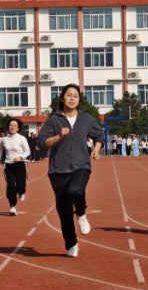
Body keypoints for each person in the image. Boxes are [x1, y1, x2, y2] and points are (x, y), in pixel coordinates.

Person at [38, 84, 103, 257]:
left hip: (81, 165)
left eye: (75, 95)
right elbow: (42, 142)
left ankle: (81, 214)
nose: (72, 98)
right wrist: (59, 136)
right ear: (62, 98)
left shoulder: (86, 119)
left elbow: (99, 135)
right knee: (64, 209)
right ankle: (71, 243)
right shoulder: (54, 120)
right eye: (69, 95)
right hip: (58, 170)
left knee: (76, 190)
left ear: (79, 100)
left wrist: (96, 150)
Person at [0, 118, 31, 216]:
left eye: (14, 126)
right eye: (10, 125)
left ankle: (21, 191)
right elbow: (0, 150)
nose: (12, 127)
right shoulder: (4, 139)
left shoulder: (21, 138)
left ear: (18, 128)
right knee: (10, 186)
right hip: (8, 165)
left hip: (20, 164)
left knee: (21, 184)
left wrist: (20, 157)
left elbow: (28, 151)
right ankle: (12, 206)